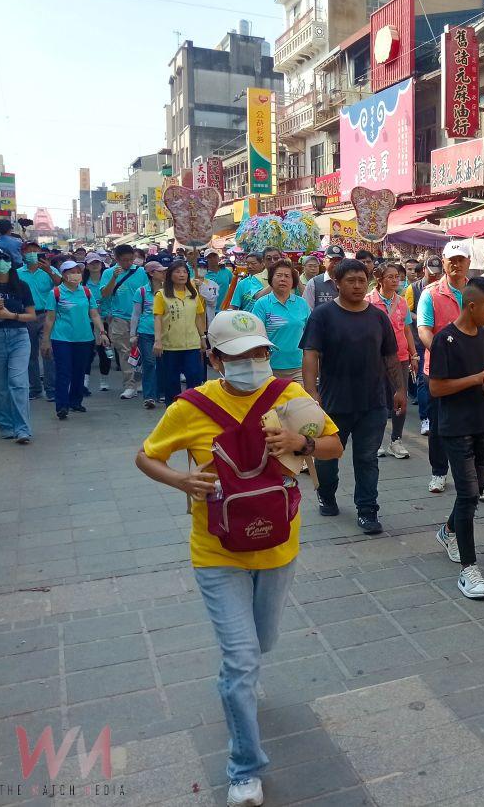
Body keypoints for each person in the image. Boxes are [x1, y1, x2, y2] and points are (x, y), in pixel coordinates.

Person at [135, 310, 343, 807]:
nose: (252, 363)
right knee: (241, 658)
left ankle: (242, 683)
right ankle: (244, 769)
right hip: (216, 551)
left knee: (262, 642)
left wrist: (300, 442)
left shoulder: (290, 396)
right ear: (215, 360)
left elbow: (334, 445)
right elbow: (146, 456)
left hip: (278, 547)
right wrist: (182, 480)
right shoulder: (190, 407)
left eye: (259, 353)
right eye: (238, 356)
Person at [301, 258, 406, 534]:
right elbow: (311, 354)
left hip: (373, 402)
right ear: (337, 283)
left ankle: (367, 510)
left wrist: (399, 389)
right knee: (327, 458)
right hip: (334, 402)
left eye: (362, 280)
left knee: (367, 458)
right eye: (351, 281)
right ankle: (326, 494)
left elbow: (390, 355)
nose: (358, 286)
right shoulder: (322, 316)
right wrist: (311, 392)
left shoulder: (378, 317)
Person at [431, 277, 484, 599]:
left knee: (474, 493)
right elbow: (436, 388)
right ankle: (469, 569)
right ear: (471, 306)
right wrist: (475, 379)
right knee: (467, 494)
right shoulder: (445, 339)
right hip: (456, 427)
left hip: (482, 423)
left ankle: (449, 531)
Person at [419, 242, 470, 495]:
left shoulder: (477, 291)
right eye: (452, 259)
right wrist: (444, 355)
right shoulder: (430, 294)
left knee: (472, 425)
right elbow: (424, 330)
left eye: (461, 259)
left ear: (468, 262)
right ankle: (438, 472)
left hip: (471, 370)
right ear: (444, 261)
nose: (456, 264)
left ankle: (475, 477)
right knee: (439, 425)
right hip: (439, 371)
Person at [42, 260, 109, 420]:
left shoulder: (86, 292)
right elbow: (50, 318)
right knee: (63, 372)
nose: (76, 275)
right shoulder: (56, 293)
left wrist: (102, 332)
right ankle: (62, 405)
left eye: (78, 272)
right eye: (72, 272)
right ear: (64, 275)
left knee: (79, 371)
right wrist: (46, 340)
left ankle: (75, 401)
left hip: (84, 338)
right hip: (62, 338)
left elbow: (94, 314)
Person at [366, 262, 413, 459]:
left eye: (397, 277)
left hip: (400, 357)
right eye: (390, 277)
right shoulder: (368, 301)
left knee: (400, 399)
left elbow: (407, 329)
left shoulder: (401, 302)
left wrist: (413, 354)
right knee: (378, 400)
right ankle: (375, 441)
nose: (395, 281)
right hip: (376, 358)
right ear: (380, 279)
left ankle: (396, 440)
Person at [0, 247, 36, 443]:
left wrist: (11, 315)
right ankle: (6, 425)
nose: (0, 262)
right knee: (0, 386)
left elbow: (31, 315)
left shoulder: (21, 286)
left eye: (4, 258)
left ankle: (22, 429)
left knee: (18, 383)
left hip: (19, 337)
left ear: (11, 263)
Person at [154, 261, 207, 403]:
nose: (182, 275)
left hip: (192, 344)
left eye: (184, 272)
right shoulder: (162, 294)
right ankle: (173, 408)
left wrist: (203, 337)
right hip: (170, 345)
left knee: (194, 377)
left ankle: (192, 406)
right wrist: (158, 340)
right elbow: (158, 318)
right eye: (177, 272)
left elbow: (198, 317)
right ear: (170, 275)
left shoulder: (193, 294)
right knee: (171, 380)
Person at [250, 260, 311, 382]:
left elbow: (310, 333)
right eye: (279, 275)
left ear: (293, 281)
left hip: (298, 367)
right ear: (271, 279)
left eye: (287, 276)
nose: (283, 279)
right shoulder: (262, 304)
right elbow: (255, 335)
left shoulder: (302, 303)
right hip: (269, 368)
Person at [101, 244, 148, 400]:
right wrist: (114, 278)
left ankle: (141, 380)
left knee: (142, 351)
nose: (128, 263)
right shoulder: (108, 273)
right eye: (124, 260)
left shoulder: (141, 272)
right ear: (116, 259)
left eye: (130, 259)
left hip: (141, 317)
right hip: (119, 317)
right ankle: (129, 385)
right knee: (125, 352)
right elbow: (105, 294)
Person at [17, 241, 58, 402]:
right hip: (26, 316)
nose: (33, 253)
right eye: (29, 251)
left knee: (48, 352)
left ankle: (51, 389)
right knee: (30, 354)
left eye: (36, 250)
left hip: (47, 315)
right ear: (23, 254)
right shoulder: (17, 273)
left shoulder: (49, 270)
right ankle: (35, 388)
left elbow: (62, 285)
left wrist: (49, 271)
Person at [408, 256, 442, 433]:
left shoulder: (444, 288)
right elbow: (406, 313)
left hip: (441, 341)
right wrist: (423, 317)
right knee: (423, 380)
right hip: (420, 340)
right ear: (424, 270)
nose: (435, 276)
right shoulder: (413, 288)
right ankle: (425, 418)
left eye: (438, 273)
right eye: (431, 272)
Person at [130, 261, 166, 409]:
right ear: (151, 273)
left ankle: (161, 392)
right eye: (160, 271)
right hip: (146, 332)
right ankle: (149, 396)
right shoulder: (142, 291)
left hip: (165, 333)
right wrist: (132, 334)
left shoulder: (168, 291)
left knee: (163, 364)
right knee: (149, 363)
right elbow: (136, 314)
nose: (164, 273)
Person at [84, 254, 112, 393]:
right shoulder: (83, 282)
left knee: (104, 351)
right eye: (91, 263)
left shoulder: (106, 280)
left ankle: (104, 379)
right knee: (87, 352)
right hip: (87, 320)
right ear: (86, 266)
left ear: (102, 264)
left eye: (97, 263)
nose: (95, 265)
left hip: (106, 319)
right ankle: (85, 381)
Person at [302, 244, 344, 309]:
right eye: (332, 259)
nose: (335, 262)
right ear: (324, 261)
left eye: (339, 260)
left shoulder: (348, 282)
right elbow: (307, 309)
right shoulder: (313, 283)